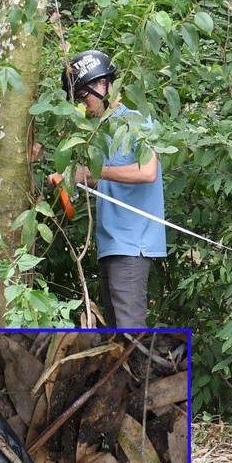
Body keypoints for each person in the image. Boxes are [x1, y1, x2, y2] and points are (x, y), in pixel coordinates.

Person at [52, 48, 167, 331]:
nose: (83, 106)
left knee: (130, 334)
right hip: (110, 246)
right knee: (116, 334)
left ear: (103, 84)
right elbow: (102, 179)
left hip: (132, 247)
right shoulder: (99, 132)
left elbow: (148, 171)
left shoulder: (135, 122)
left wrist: (92, 172)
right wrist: (71, 179)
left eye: (83, 96)